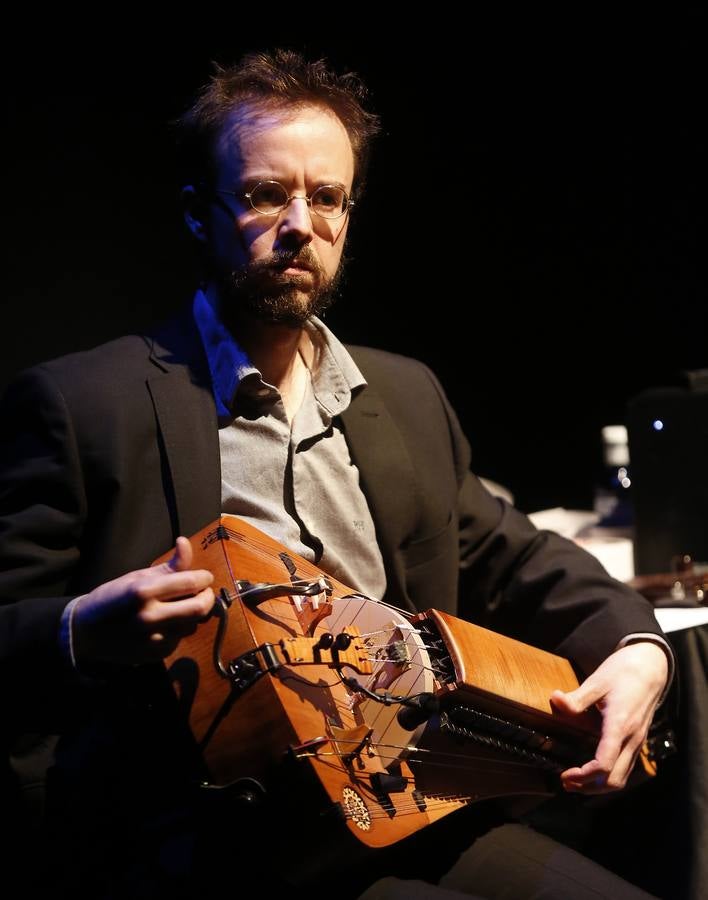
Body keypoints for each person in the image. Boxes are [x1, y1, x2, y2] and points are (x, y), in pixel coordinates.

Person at [0, 50, 672, 899]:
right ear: (198, 215)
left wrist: (639, 645)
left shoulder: (402, 392)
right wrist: (74, 630)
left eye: (326, 199)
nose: (299, 224)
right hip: (222, 838)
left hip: (415, 798)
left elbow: (512, 553)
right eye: (263, 194)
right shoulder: (81, 404)